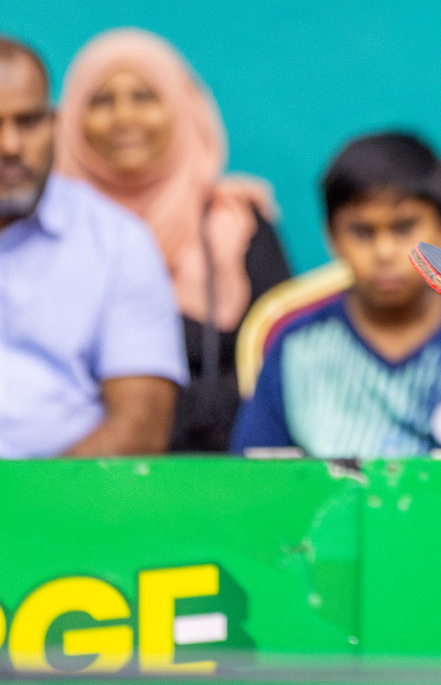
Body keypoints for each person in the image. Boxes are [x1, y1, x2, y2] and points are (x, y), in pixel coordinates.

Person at [229, 132, 441, 457]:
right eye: (363, 231)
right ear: (333, 237)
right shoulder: (296, 348)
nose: (384, 251)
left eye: (404, 227)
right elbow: (257, 483)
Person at [53, 29, 291, 452]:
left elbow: (279, 358)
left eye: (144, 96)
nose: (124, 117)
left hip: (222, 482)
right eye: (101, 100)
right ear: (69, 119)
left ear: (183, 107)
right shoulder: (42, 233)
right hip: (72, 477)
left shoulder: (236, 224)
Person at [0, 36, 186, 457]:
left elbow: (140, 428)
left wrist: (26, 509)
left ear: (54, 124)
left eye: (28, 122)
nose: (10, 146)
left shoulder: (117, 241)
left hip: (62, 511)